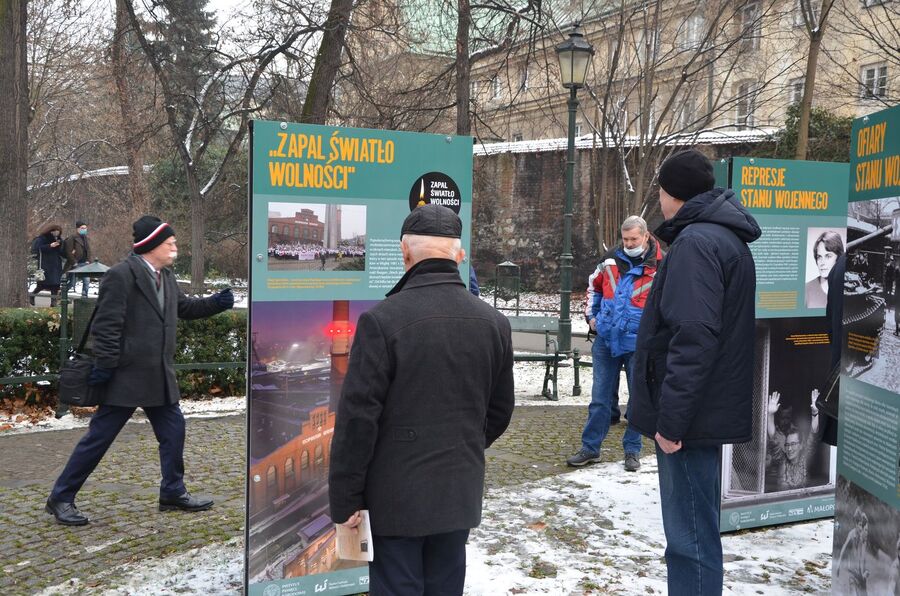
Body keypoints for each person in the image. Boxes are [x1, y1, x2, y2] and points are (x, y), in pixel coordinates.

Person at [329, 204, 515, 595]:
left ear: (405, 253)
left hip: (395, 495)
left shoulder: (382, 321)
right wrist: (461, 444)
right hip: (458, 489)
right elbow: (500, 410)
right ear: (459, 255)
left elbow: (358, 421)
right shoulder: (494, 323)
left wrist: (346, 498)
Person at [44, 216, 235, 526]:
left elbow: (184, 308)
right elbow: (106, 326)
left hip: (158, 375)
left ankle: (172, 491)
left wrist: (217, 302)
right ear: (152, 246)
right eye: (169, 243)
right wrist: (105, 366)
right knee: (98, 439)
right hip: (124, 376)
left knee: (173, 433)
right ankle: (61, 497)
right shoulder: (121, 275)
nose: (174, 248)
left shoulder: (166, 276)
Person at [630, 150, 761, 596]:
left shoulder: (696, 243)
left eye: (661, 191)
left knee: (689, 540)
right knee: (696, 531)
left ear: (672, 194)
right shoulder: (721, 238)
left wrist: (672, 422)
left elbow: (693, 337)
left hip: (689, 418)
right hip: (703, 409)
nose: (659, 200)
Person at [567, 216, 661, 472]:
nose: (629, 244)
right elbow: (593, 288)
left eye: (634, 239)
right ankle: (590, 447)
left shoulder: (660, 265)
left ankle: (632, 450)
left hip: (638, 342)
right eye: (625, 239)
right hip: (606, 339)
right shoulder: (609, 260)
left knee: (637, 400)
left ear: (645, 236)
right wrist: (592, 318)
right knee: (600, 399)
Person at [765, 390, 821, 492]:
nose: (789, 448)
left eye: (793, 444)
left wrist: (815, 413)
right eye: (787, 445)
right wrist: (770, 414)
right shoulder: (782, 459)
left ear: (801, 445)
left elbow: (813, 434)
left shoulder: (805, 458)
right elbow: (773, 437)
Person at [805, 230, 844, 308]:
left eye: (828, 256)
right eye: (819, 257)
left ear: (839, 258)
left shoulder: (848, 287)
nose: (822, 263)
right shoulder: (806, 289)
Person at [836, 508, 870, 595]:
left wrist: (866, 571)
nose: (861, 528)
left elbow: (864, 557)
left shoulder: (863, 538)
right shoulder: (852, 534)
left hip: (861, 576)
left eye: (862, 526)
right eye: (859, 525)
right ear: (856, 524)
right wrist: (838, 565)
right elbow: (843, 548)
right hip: (852, 574)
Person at [32, 223, 65, 305]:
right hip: (46, 264)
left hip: (56, 264)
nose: (56, 234)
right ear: (50, 231)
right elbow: (38, 248)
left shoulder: (59, 239)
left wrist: (60, 245)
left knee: (55, 284)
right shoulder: (43, 238)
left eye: (58, 232)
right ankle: (32, 295)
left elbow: (61, 251)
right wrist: (50, 246)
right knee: (42, 285)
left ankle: (53, 303)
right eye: (54, 231)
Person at [63, 220, 91, 297]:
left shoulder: (85, 238)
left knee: (86, 281)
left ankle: (84, 298)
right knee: (72, 283)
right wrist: (74, 262)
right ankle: (62, 294)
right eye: (82, 228)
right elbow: (68, 251)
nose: (84, 229)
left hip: (85, 263)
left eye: (85, 228)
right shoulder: (72, 237)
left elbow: (88, 250)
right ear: (78, 228)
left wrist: (88, 260)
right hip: (76, 263)